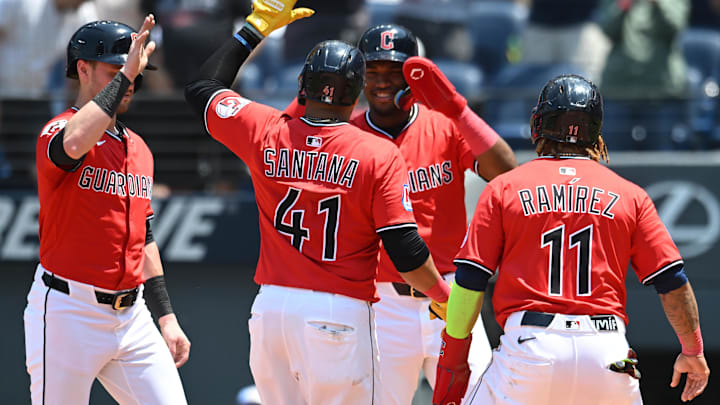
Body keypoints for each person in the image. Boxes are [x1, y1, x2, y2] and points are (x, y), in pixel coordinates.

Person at [184, 2, 452, 404]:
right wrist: (445, 299)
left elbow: (202, 88)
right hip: (337, 314)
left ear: (301, 87)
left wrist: (254, 29)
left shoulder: (265, 130)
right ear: (357, 93)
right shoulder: (375, 152)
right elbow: (405, 250)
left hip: (271, 312)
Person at [432, 74, 710, 405]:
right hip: (607, 353)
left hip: (531, 348)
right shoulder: (630, 194)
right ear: (596, 131)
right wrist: (692, 350)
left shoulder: (504, 188)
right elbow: (672, 281)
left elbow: (470, 279)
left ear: (538, 124)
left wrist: (454, 355)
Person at [24, 16, 190, 405]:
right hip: (68, 311)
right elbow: (76, 141)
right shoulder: (58, 130)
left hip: (132, 317)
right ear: (83, 68)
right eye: (116, 68)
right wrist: (126, 73)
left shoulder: (140, 148)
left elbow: (143, 237)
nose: (129, 79)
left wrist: (165, 315)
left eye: (132, 70)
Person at [354, 24, 516, 405]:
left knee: (482, 400)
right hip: (380, 301)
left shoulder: (444, 124)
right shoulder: (349, 134)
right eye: (372, 70)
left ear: (414, 75)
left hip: (450, 297)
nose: (381, 81)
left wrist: (458, 111)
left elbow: (506, 174)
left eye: (393, 71)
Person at [0, 0, 97, 96]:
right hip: (5, 93)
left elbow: (83, 64)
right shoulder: (19, 3)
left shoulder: (83, 13)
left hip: (39, 96)